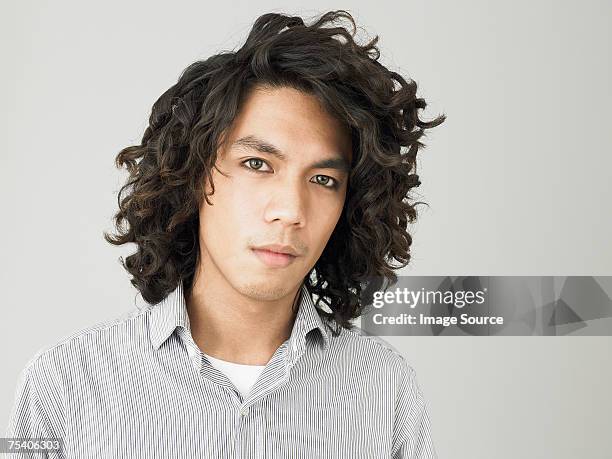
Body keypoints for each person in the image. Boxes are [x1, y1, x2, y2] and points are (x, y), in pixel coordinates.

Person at [6, 9, 445, 458]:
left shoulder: (388, 390)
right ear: (193, 175)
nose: (291, 211)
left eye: (323, 180)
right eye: (258, 165)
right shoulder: (62, 381)